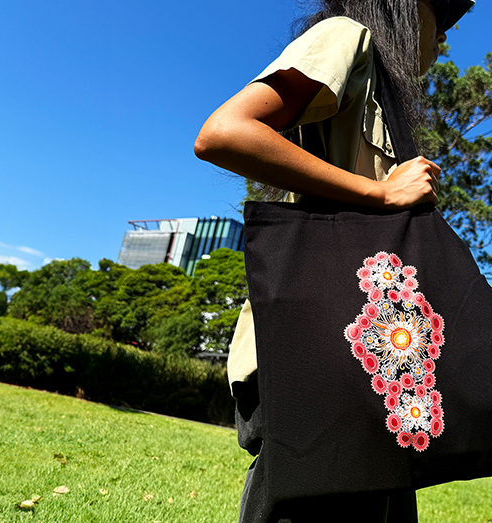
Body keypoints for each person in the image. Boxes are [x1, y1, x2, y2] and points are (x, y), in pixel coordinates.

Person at [195, 1, 474, 521]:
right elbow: (226, 132)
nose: (444, 42)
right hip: (319, 362)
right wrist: (381, 195)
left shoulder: (382, 87)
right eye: (445, 20)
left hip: (379, 370)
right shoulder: (347, 36)